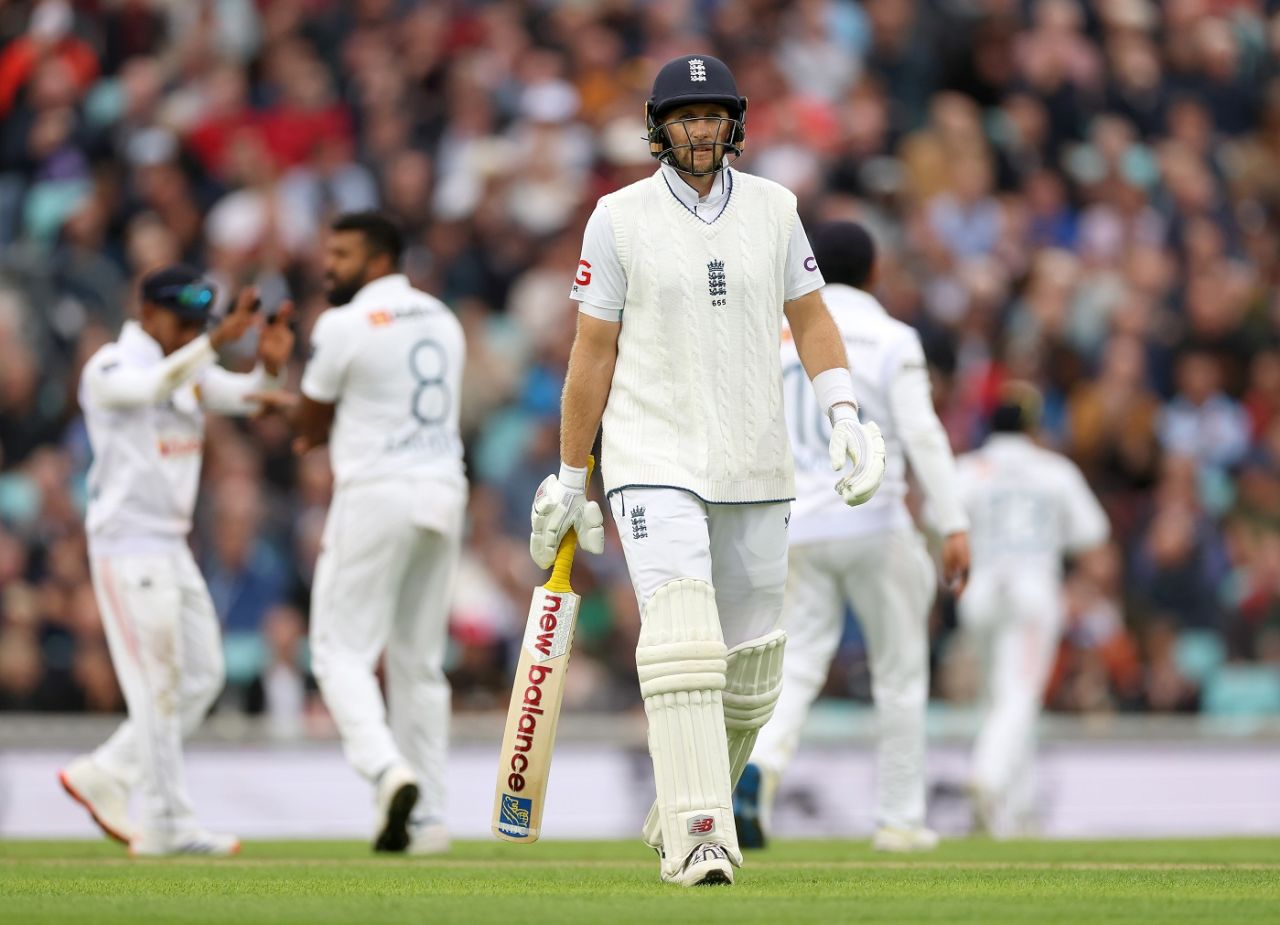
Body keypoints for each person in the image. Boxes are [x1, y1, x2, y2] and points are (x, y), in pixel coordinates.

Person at [528, 55, 887, 886]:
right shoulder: (616, 217)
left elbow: (812, 317)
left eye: (712, 115)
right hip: (652, 454)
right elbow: (592, 353)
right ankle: (700, 836)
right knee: (683, 637)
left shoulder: (775, 208)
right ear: (658, 127)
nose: (699, 130)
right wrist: (572, 473)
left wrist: (843, 413)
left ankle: (680, 807)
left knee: (753, 666)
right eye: (685, 116)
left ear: (735, 123)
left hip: (757, 458)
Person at [734, 221, 971, 852]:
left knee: (797, 667)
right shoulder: (892, 338)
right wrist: (952, 522)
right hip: (875, 520)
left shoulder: (778, 335)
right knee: (899, 673)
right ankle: (898, 820)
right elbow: (921, 433)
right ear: (874, 272)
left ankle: (758, 769)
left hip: (797, 525)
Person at [59, 265, 294, 856]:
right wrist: (210, 345)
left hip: (172, 544)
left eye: (197, 324)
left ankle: (106, 772)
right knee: (157, 683)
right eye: (181, 321)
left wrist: (267, 363)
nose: (189, 332)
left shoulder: (187, 366)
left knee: (202, 676)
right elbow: (150, 388)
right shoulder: (109, 367)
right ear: (146, 312)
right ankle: (168, 824)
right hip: (126, 543)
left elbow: (249, 399)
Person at [255, 211, 467, 854]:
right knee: (419, 662)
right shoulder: (442, 318)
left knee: (337, 651)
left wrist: (276, 384)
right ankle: (428, 817)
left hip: (376, 491)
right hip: (443, 489)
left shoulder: (343, 325)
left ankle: (384, 769)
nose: (328, 266)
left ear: (379, 260)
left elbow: (310, 432)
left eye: (341, 255)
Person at [954, 383, 1109, 837]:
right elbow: (1092, 531)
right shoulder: (1054, 470)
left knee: (995, 698)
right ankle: (988, 777)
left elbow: (937, 520)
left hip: (979, 593)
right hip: (1032, 593)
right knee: (1018, 697)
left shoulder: (969, 468)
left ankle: (1016, 812)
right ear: (1033, 425)